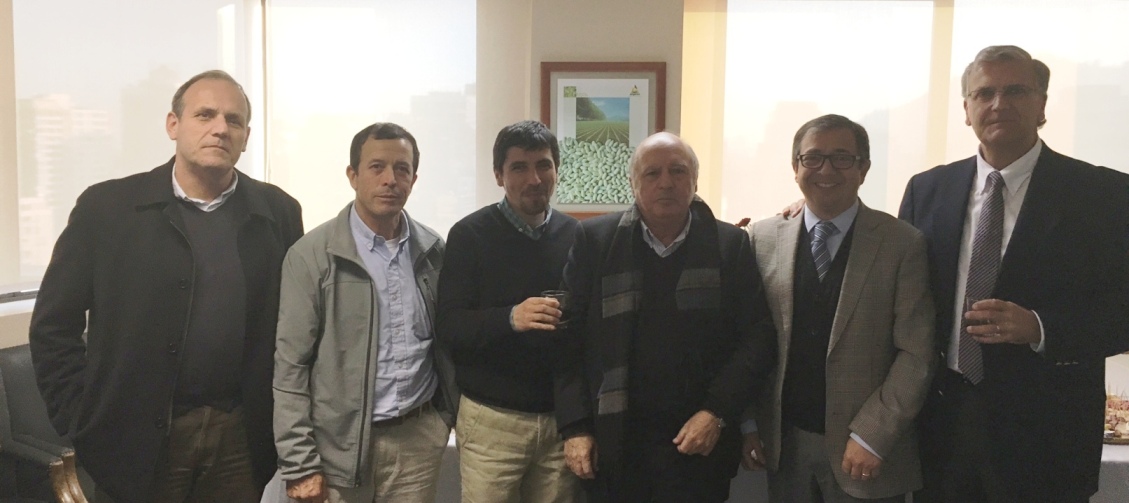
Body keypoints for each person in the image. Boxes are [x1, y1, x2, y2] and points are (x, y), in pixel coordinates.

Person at [29, 70, 304, 503]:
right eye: (205, 115)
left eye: (233, 120)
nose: (220, 128)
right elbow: (52, 325)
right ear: (173, 125)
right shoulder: (108, 209)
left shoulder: (279, 212)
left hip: (240, 439)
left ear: (246, 137)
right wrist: (81, 418)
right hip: (135, 441)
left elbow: (294, 326)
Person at [899, 45, 1129, 502]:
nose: (999, 104)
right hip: (941, 429)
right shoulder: (927, 189)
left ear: (1042, 104)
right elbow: (896, 283)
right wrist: (815, 211)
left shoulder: (1105, 194)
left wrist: (1041, 328)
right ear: (966, 109)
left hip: (1047, 437)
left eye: (1016, 91)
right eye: (984, 93)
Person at [554, 131, 777, 502]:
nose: (666, 183)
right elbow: (567, 339)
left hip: (701, 444)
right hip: (615, 443)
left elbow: (758, 339)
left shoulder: (729, 245)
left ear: (695, 181)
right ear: (633, 183)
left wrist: (717, 412)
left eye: (678, 171)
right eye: (652, 173)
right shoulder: (595, 241)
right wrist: (575, 427)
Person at [742, 114, 935, 502]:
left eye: (842, 158)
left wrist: (873, 435)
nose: (826, 170)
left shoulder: (902, 243)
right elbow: (745, 340)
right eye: (813, 158)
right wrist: (748, 424)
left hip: (866, 454)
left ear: (863, 169)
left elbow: (917, 353)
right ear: (795, 167)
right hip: (784, 448)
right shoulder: (760, 238)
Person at [273, 122, 458, 503]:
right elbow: (291, 366)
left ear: (414, 179)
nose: (390, 179)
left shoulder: (433, 250)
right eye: (377, 167)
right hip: (337, 448)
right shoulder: (312, 256)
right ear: (353, 175)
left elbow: (445, 342)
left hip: (417, 441)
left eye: (402, 169)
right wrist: (299, 463)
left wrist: (442, 419)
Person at [437, 120, 581, 502]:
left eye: (544, 165)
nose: (534, 179)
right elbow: (449, 326)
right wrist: (510, 318)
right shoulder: (469, 235)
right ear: (499, 175)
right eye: (519, 167)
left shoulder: (577, 236)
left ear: (557, 169)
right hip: (492, 422)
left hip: (560, 423)